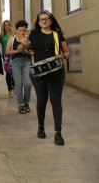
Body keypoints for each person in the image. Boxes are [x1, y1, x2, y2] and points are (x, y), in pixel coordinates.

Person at [20, 10, 70, 146]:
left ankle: (58, 132)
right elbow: (21, 49)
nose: (44, 21)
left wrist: (63, 56)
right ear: (38, 21)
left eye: (46, 19)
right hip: (38, 71)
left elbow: (67, 52)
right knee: (42, 99)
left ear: (51, 21)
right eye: (41, 19)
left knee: (56, 99)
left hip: (56, 70)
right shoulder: (34, 34)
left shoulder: (57, 34)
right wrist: (23, 44)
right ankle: (41, 126)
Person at [6, 20, 32, 114]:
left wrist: (27, 52)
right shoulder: (12, 38)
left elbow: (32, 52)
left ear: (26, 30)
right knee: (19, 84)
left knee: (28, 83)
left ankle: (26, 103)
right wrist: (18, 51)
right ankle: (21, 105)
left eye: (24, 30)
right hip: (15, 62)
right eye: (20, 30)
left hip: (27, 62)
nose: (22, 32)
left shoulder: (28, 39)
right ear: (17, 30)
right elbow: (7, 51)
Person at [1, 20, 15, 97]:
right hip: (6, 56)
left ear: (10, 25)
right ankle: (10, 89)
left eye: (8, 25)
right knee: (8, 73)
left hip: (14, 55)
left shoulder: (14, 35)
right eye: (5, 25)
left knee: (15, 72)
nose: (6, 26)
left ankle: (14, 87)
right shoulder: (2, 36)